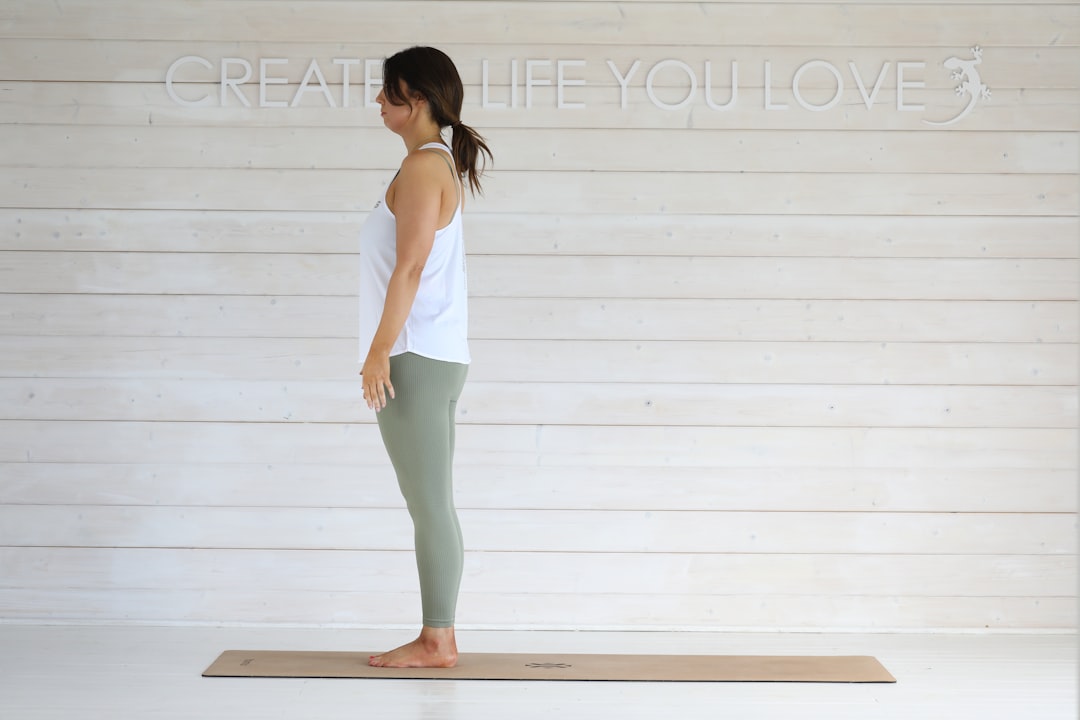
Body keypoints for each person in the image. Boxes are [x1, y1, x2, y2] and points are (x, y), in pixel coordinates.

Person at [358, 46, 492, 669]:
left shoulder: (420, 170)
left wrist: (378, 352)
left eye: (387, 94)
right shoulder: (433, 165)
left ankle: (436, 639)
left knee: (429, 503)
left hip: (413, 354)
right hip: (434, 354)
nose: (378, 104)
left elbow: (408, 268)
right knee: (433, 498)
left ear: (415, 100)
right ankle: (441, 635)